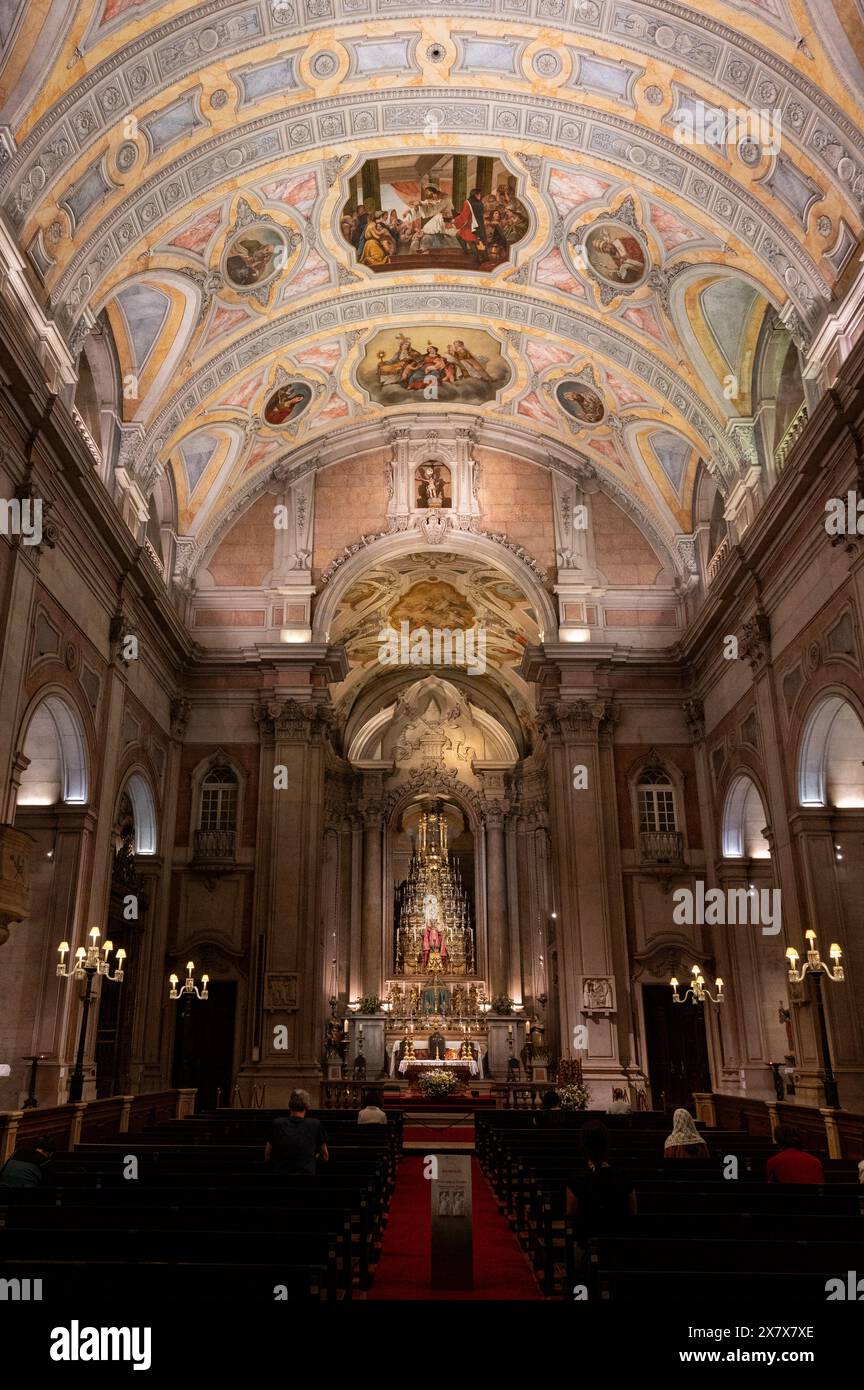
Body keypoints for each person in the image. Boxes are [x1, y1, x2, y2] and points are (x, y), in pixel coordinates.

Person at [566, 1121, 636, 1292]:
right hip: (620, 1244)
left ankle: (579, 1296)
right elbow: (633, 1213)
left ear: (583, 1147)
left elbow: (570, 1214)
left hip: (586, 1245)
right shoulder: (624, 1177)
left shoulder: (577, 1180)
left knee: (577, 1268)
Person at [265, 1090, 329, 1175]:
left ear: (290, 1105)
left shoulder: (277, 1124)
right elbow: (325, 1157)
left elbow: (267, 1156)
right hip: (306, 1178)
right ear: (307, 1106)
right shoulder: (315, 1125)